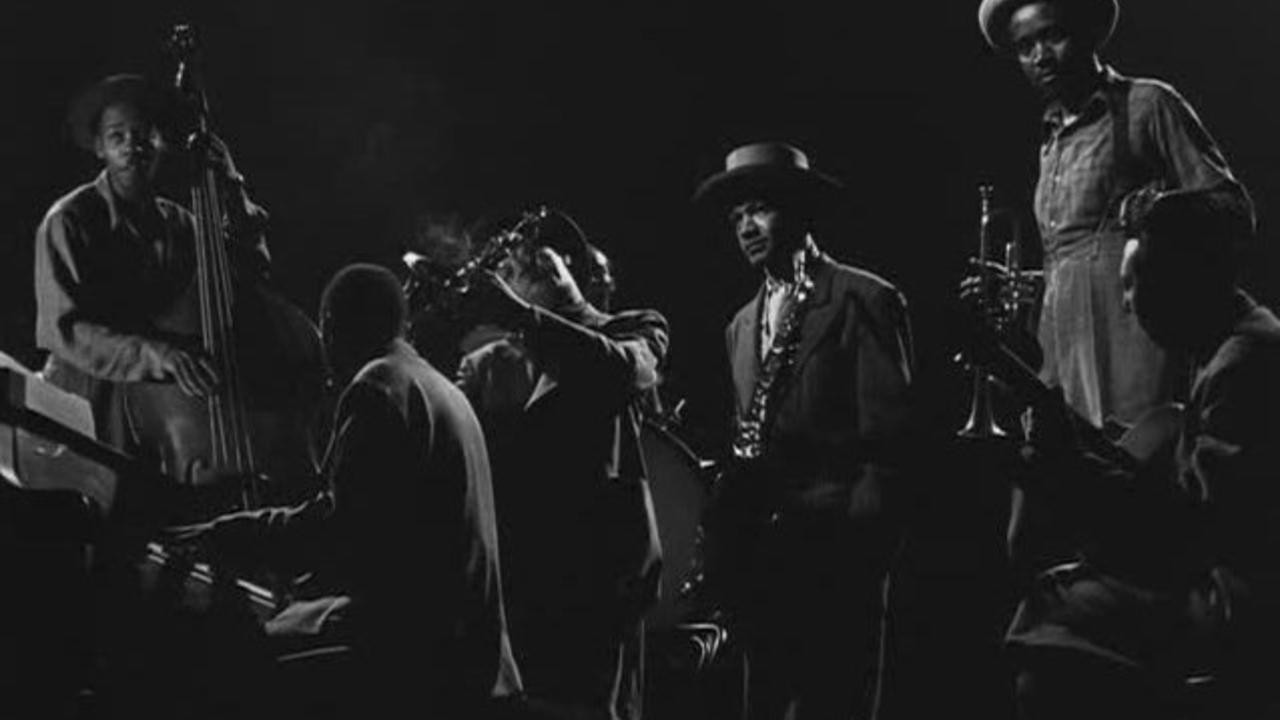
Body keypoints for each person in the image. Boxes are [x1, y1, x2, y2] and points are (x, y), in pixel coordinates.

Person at [170, 263, 523, 718]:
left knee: (226, 666)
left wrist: (230, 533)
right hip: (478, 653)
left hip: (422, 659)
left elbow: (340, 533)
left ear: (331, 327)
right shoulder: (436, 386)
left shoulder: (376, 388)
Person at [1006, 189, 1280, 719]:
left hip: (1236, 602)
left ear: (1187, 279)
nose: (1128, 304)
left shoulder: (1242, 363)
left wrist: (1069, 468)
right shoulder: (1230, 349)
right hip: (1221, 584)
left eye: (1138, 283)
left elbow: (1195, 529)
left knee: (1050, 611)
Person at [692, 141, 915, 719]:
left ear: (799, 210)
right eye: (736, 217)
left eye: (760, 209)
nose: (746, 227)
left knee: (834, 703)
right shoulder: (738, 326)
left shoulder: (864, 298)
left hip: (838, 546)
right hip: (764, 554)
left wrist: (864, 553)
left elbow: (889, 444)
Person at [977, 0, 1253, 431]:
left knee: (1139, 469)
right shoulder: (1050, 141)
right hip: (1062, 351)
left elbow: (1234, 210)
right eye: (1025, 46)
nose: (1040, 56)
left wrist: (1158, 213)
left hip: (1135, 341)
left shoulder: (1148, 104)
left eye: (1052, 35)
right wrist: (1022, 287)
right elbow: (1074, 256)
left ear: (1085, 32)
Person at [456, 212, 668, 720]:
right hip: (523, 575)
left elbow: (625, 371)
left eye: (539, 255)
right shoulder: (485, 365)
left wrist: (531, 314)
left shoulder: (635, 327)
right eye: (512, 263)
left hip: (604, 575)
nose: (524, 264)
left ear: (572, 267)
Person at [33, 73, 274, 449]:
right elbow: (69, 330)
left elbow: (250, 273)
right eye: (118, 137)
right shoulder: (68, 220)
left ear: (163, 143)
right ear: (99, 147)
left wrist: (231, 186)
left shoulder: (181, 223)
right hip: (81, 411)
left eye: (145, 135)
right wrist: (160, 355)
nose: (133, 147)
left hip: (158, 415)